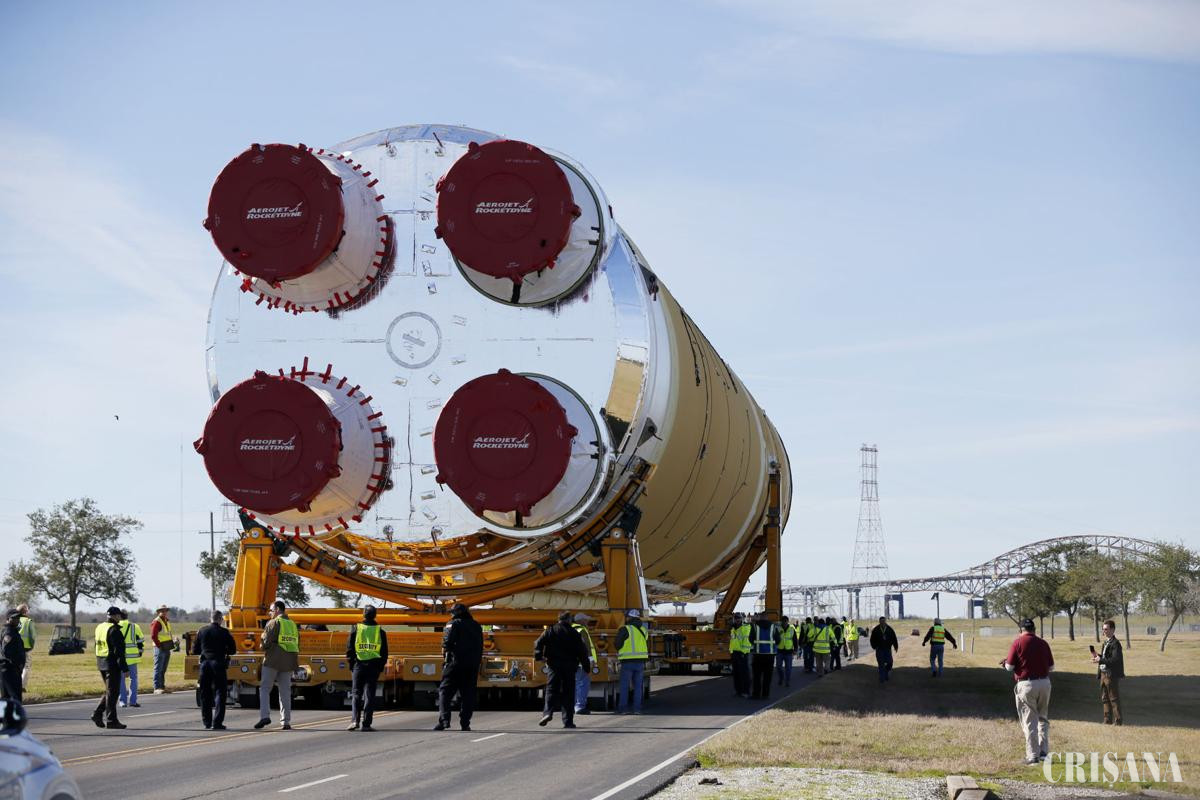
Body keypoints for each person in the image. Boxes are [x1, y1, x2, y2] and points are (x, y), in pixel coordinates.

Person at [1001, 619, 1054, 765]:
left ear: (1021, 630)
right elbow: (1051, 667)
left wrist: (1005, 663)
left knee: (1029, 720)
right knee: (1043, 718)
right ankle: (1043, 752)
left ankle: (1032, 755)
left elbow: (1010, 667)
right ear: (1034, 630)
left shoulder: (1017, 643)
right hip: (1044, 683)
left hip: (1026, 684)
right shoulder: (1043, 643)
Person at [535, 611, 591, 728]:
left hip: (553, 666)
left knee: (551, 690)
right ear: (569, 620)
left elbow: (538, 642)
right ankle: (568, 722)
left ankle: (548, 713)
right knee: (568, 693)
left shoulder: (550, 630)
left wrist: (539, 656)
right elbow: (582, 651)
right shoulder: (574, 633)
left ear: (559, 619)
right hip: (569, 666)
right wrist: (586, 667)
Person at [435, 603, 483, 731]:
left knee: (445, 691)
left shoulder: (453, 623)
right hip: (472, 665)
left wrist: (445, 656)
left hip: (455, 664)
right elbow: (480, 646)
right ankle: (465, 723)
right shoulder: (476, 625)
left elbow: (447, 642)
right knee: (468, 694)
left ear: (455, 613)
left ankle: (444, 721)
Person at [255, 600, 299, 730]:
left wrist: (261, 645)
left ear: (278, 609)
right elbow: (297, 644)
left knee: (265, 688)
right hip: (288, 662)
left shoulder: (273, 622)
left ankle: (265, 716)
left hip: (272, 661)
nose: (270, 613)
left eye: (271, 610)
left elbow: (266, 642)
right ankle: (286, 721)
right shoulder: (293, 624)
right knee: (285, 692)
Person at [345, 605, 389, 731]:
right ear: (375, 615)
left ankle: (355, 721)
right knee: (369, 695)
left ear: (364, 614)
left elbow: (349, 649)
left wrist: (352, 665)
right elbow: (384, 652)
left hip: (358, 665)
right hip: (373, 666)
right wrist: (380, 667)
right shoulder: (380, 631)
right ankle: (366, 724)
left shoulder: (356, 629)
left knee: (356, 694)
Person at [193, 609, 237, 730]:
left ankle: (207, 722)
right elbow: (233, 650)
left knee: (205, 694)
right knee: (220, 693)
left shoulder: (202, 631)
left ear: (210, 619)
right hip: (218, 664)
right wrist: (224, 650)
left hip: (205, 664)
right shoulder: (224, 632)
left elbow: (195, 650)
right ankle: (217, 722)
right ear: (220, 619)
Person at [91, 606, 127, 729]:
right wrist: (125, 668)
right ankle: (111, 720)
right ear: (115, 616)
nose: (120, 617)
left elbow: (96, 645)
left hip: (101, 662)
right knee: (113, 693)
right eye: (119, 615)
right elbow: (119, 652)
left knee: (110, 692)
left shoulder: (100, 627)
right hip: (112, 664)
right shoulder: (114, 630)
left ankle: (97, 714)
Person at [614, 609, 648, 714]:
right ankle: (637, 709)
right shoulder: (643, 630)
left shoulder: (625, 629)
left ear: (629, 618)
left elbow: (617, 644)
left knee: (624, 686)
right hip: (640, 662)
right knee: (637, 687)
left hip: (627, 662)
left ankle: (623, 709)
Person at [1092, 619, 1124, 726]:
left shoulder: (1116, 644)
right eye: (1103, 629)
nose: (1104, 631)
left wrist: (1100, 660)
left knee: (1113, 698)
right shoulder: (1105, 643)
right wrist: (1098, 657)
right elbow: (1106, 658)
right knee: (1104, 698)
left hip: (1110, 675)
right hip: (1103, 674)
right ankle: (1107, 720)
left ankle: (1118, 721)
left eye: (1106, 629)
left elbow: (1115, 660)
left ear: (1113, 630)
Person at [116, 610, 144, 707]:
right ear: (127, 616)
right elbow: (140, 641)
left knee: (121, 679)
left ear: (119, 616)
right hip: (133, 658)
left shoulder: (115, 626)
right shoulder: (134, 626)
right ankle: (133, 701)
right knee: (133, 679)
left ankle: (122, 701)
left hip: (120, 658)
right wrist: (140, 652)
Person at [572, 613, 597, 716]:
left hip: (570, 662)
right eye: (585, 619)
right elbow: (586, 647)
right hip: (581, 662)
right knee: (582, 684)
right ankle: (579, 706)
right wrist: (590, 660)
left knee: (573, 684)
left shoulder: (567, 629)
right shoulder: (581, 630)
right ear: (580, 620)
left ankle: (572, 706)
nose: (587, 621)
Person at [749, 611, 778, 698]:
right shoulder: (773, 626)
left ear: (760, 617)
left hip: (758, 654)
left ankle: (756, 694)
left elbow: (750, 639)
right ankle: (765, 694)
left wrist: (756, 645)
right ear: (767, 617)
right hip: (769, 655)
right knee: (767, 676)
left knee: (757, 676)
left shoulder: (754, 626)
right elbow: (778, 639)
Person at [1, 610, 25, 703]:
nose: (17, 620)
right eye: (14, 618)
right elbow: (6, 651)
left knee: (7, 699)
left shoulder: (13, 631)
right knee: (15, 699)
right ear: (8, 619)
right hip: (9, 669)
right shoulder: (9, 632)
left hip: (9, 670)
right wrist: (17, 665)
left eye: (18, 618)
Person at [149, 604, 174, 694]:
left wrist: (173, 640)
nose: (164, 612)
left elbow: (167, 634)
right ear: (158, 612)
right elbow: (153, 636)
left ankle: (162, 687)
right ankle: (157, 688)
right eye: (162, 611)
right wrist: (159, 645)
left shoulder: (166, 621)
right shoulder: (157, 622)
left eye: (165, 610)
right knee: (158, 668)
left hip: (166, 647)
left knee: (163, 669)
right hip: (159, 647)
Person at [869, 616, 898, 683]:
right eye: (881, 621)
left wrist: (896, 646)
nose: (882, 622)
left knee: (890, 663)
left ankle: (886, 673)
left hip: (887, 649)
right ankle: (882, 679)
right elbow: (872, 639)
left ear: (885, 621)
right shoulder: (876, 629)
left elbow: (894, 638)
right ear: (879, 622)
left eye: (883, 621)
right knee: (881, 664)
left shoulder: (889, 629)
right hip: (879, 649)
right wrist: (874, 646)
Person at [728, 612, 751, 698]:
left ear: (741, 619)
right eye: (736, 618)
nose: (737, 620)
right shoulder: (733, 628)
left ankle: (746, 691)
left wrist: (743, 652)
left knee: (744, 673)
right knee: (736, 673)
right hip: (734, 653)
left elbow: (746, 641)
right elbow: (733, 641)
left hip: (742, 653)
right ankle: (738, 691)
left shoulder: (745, 627)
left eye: (739, 618)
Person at [775, 615, 797, 688]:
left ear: (788, 621)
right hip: (780, 651)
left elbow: (795, 640)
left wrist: (795, 649)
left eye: (786, 621)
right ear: (781, 622)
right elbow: (775, 639)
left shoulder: (791, 629)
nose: (784, 623)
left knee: (788, 668)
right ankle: (781, 677)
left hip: (789, 651)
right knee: (778, 667)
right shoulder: (777, 629)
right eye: (783, 621)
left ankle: (787, 681)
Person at [16, 604, 34, 691]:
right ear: (26, 612)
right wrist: (32, 645)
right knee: (26, 667)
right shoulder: (28, 621)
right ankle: (22, 686)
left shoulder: (14, 621)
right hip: (26, 648)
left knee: (16, 667)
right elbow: (33, 636)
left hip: (16, 647)